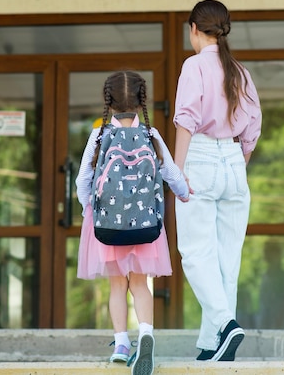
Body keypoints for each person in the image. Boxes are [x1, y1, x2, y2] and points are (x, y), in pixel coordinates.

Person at [76, 70, 191, 375]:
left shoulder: (99, 135)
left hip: (108, 225)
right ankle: (146, 334)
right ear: (142, 101)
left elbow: (83, 179)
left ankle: (121, 344)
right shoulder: (151, 135)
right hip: (144, 226)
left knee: (117, 285)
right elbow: (171, 174)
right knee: (140, 284)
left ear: (108, 102)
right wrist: (184, 194)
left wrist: (87, 208)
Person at [173, 0, 262, 361]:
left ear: (194, 29)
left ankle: (225, 324)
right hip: (233, 161)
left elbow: (186, 120)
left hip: (202, 157)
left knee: (195, 253)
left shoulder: (193, 66)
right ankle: (214, 345)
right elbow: (253, 127)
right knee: (227, 258)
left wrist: (177, 173)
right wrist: (236, 163)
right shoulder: (239, 70)